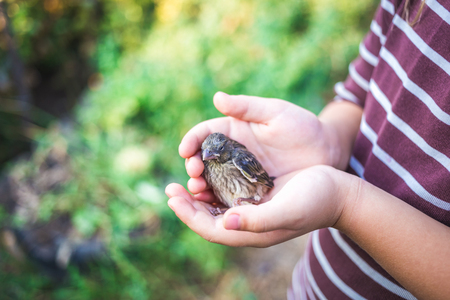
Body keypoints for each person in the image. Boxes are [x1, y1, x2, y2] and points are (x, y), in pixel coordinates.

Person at [165, 0, 450, 298]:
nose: (208, 159)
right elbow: (358, 92)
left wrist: (345, 203)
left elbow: (265, 182)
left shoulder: (238, 158)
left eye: (213, 154)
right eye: (207, 157)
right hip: (313, 283)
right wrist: (327, 140)